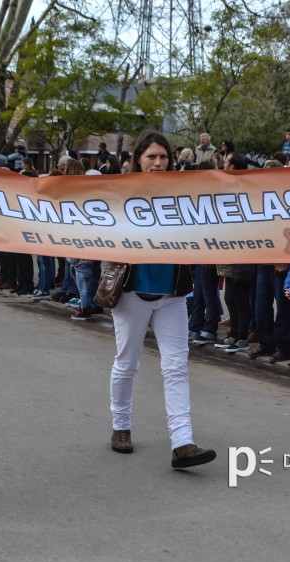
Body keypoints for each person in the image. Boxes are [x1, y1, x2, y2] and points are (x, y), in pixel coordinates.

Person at [108, 130, 215, 469]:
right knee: (127, 364)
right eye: (151, 156)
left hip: (173, 293)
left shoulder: (184, 196)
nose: (158, 162)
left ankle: (182, 442)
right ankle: (120, 426)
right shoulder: (117, 194)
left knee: (176, 367)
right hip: (132, 293)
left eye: (163, 157)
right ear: (137, 159)